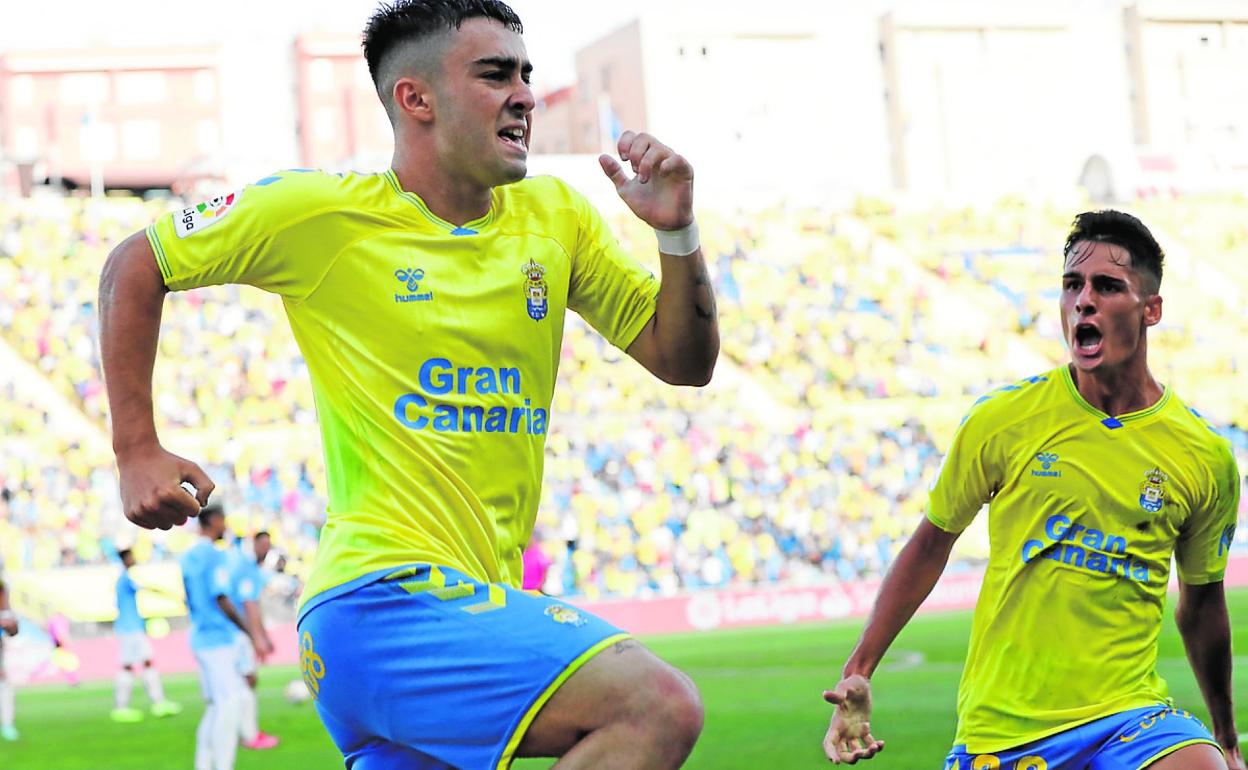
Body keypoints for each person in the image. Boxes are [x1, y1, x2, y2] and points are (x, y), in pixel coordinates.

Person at [98, 0, 718, 767]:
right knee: (654, 706)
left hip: (461, 607)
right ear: (415, 99)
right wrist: (135, 447)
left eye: (526, 73)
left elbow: (683, 359)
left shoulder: (555, 217)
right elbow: (137, 261)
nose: (524, 93)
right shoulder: (320, 212)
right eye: (495, 75)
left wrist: (676, 234)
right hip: (381, 598)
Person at [822, 210, 1243, 769]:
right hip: (1004, 733)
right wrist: (860, 669)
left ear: (1151, 310)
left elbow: (1202, 601)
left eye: (1107, 286)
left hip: (1131, 719)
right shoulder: (1003, 419)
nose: (1083, 301)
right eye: (1072, 284)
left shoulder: (1203, 456)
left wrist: (1226, 734)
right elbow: (930, 545)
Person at [180, 503, 260, 770]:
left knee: (215, 707)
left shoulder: (188, 556)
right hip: (218, 638)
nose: (225, 526)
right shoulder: (215, 556)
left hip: (200, 636)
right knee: (230, 703)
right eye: (223, 520)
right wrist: (248, 631)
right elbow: (222, 597)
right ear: (213, 521)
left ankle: (203, 765)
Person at [111, 547, 183, 722]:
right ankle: (145, 704)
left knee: (138, 664)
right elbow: (147, 589)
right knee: (139, 664)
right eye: (131, 556)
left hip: (129, 629)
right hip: (131, 630)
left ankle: (136, 704)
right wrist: (169, 594)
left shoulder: (123, 580)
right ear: (125, 559)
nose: (134, 558)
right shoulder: (125, 580)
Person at [227, 532, 278, 750]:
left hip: (236, 633)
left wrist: (262, 635)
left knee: (243, 681)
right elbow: (250, 605)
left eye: (268, 545)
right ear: (254, 544)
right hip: (237, 634)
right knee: (247, 679)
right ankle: (250, 735)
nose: (265, 549)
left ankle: (246, 731)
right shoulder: (248, 570)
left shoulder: (250, 569)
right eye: (262, 544)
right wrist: (258, 638)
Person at [0, 554, 18, 741]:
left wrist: (10, 624)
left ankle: (7, 725)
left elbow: (14, 629)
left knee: (4, 680)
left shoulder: (3, 590)